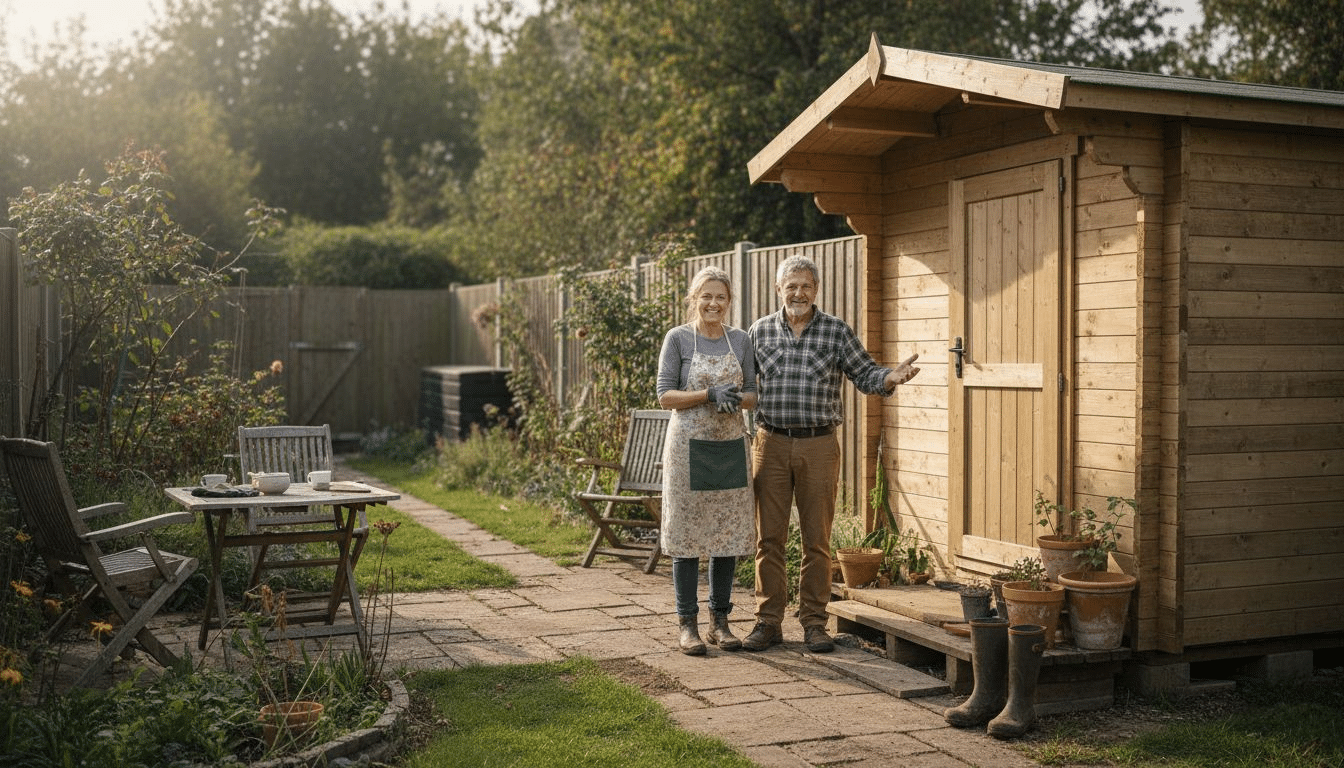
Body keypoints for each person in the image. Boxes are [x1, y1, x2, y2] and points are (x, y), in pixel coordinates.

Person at [742, 255, 920, 653]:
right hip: (768, 443)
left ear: (816, 289)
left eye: (805, 285)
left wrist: (889, 377)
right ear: (778, 289)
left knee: (816, 539)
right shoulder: (759, 332)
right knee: (767, 538)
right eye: (791, 286)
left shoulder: (836, 331)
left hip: (819, 445)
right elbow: (739, 383)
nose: (798, 293)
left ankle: (814, 623)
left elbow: (866, 372)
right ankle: (767, 622)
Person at [656, 266, 758, 655]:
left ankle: (720, 622)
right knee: (686, 537)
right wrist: (706, 395)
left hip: (730, 444)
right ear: (694, 299)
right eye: (706, 296)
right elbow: (665, 396)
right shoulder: (678, 339)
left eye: (721, 297)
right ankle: (688, 626)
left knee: (726, 535)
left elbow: (752, 393)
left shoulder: (741, 340)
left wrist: (735, 397)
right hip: (687, 447)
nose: (713, 303)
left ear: (729, 302)